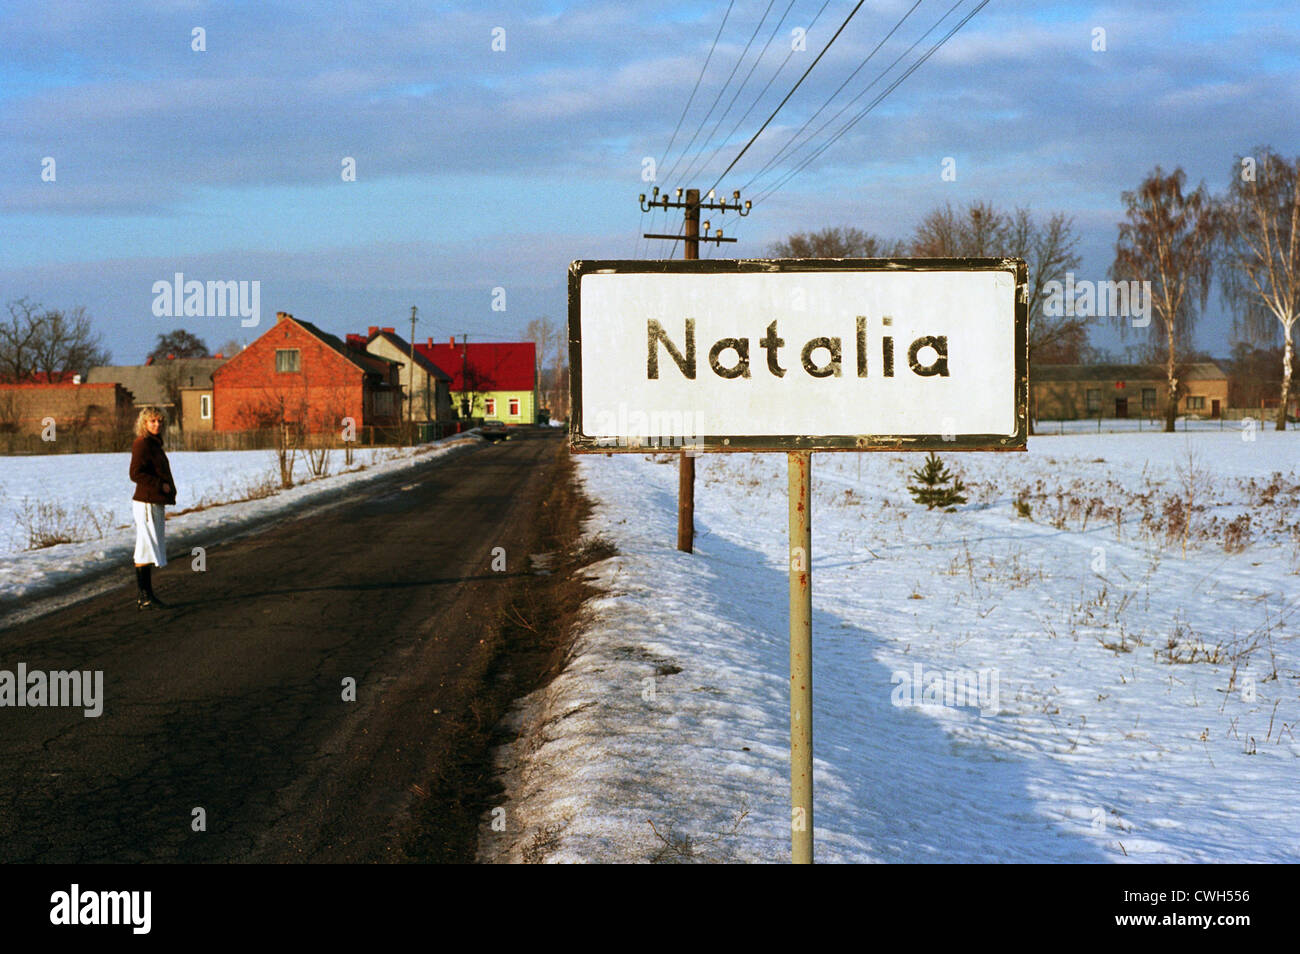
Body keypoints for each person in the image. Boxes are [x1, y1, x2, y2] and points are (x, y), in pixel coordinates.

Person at [129, 407, 176, 610]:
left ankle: (146, 596)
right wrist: (159, 484)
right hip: (146, 502)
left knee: (146, 547)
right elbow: (135, 473)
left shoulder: (154, 444)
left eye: (159, 421)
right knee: (145, 547)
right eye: (152, 421)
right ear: (144, 423)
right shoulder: (142, 444)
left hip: (153, 501)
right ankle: (145, 596)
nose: (157, 425)